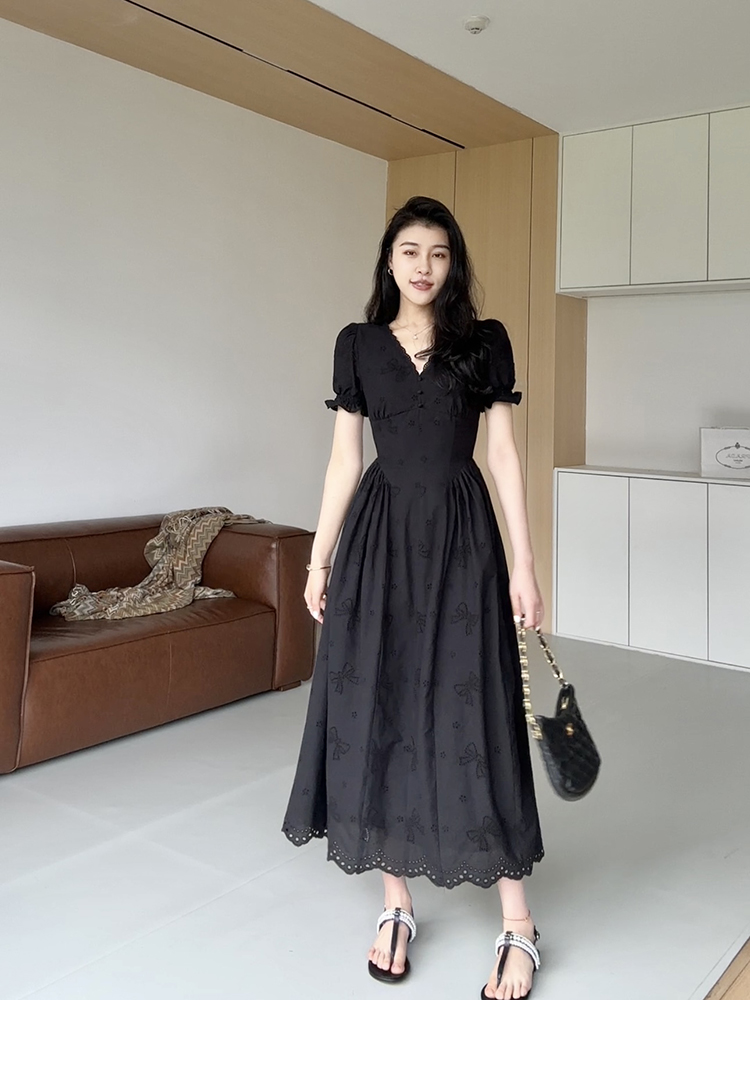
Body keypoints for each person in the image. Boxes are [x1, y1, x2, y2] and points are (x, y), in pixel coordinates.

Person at [282, 195, 545, 1000]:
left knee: (477, 711)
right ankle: (395, 903)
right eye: (410, 251)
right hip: (378, 542)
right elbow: (343, 462)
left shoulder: (484, 342)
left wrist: (525, 564)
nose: (424, 266)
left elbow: (503, 457)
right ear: (389, 262)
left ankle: (520, 923)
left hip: (463, 541)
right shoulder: (358, 346)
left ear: (452, 263)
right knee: (378, 706)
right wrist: (319, 560)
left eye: (438, 252)